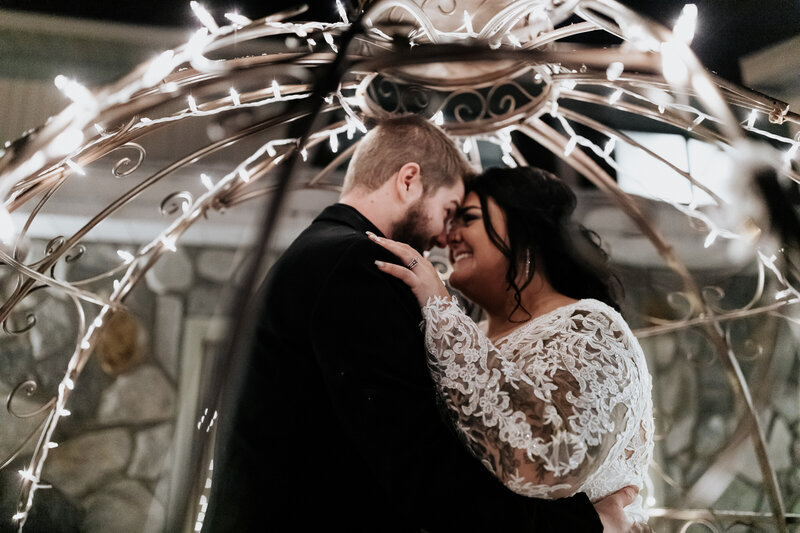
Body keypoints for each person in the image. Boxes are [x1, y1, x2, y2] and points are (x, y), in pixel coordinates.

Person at [206, 116, 638, 532]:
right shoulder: (357, 264)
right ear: (408, 180)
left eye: (462, 218)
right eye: (450, 210)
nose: (443, 238)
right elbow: (420, 467)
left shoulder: (327, 256)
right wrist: (582, 526)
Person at [370, 165, 655, 524]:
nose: (448, 237)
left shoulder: (590, 327)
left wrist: (440, 307)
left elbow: (550, 461)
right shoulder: (462, 334)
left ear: (526, 233)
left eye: (468, 219)